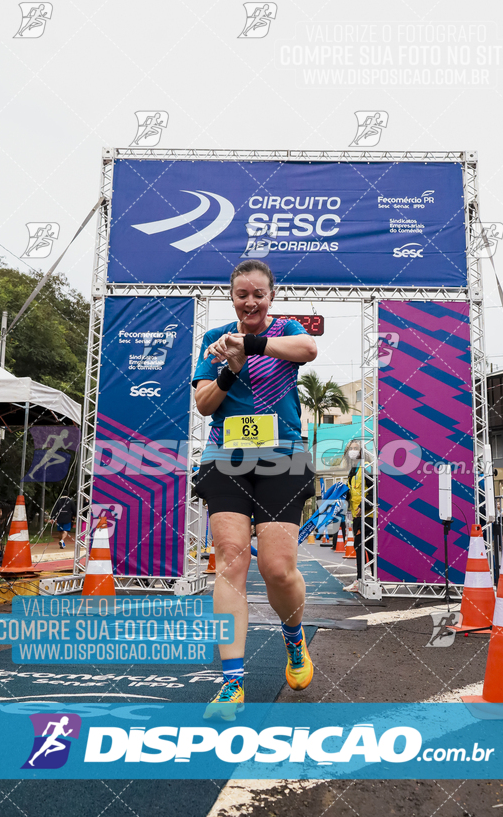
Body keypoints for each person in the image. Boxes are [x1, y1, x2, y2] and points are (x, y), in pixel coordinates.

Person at [192, 260, 317, 718]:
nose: (250, 301)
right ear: (232, 296)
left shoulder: (286, 330)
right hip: (226, 457)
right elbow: (205, 404)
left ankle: (293, 637)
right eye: (242, 293)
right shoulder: (214, 341)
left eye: (258, 294)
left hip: (281, 455)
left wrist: (252, 344)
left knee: (277, 569)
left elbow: (307, 351)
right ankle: (231, 683)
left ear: (271, 295)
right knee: (230, 562)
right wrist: (231, 368)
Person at [344, 442, 374, 592]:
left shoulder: (366, 466)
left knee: (369, 548)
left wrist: (364, 506)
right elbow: (353, 492)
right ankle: (361, 580)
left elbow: (375, 490)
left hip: (368, 516)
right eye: (350, 448)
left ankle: (370, 580)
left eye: (355, 448)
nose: (352, 451)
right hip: (357, 516)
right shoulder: (353, 470)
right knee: (360, 547)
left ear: (362, 451)